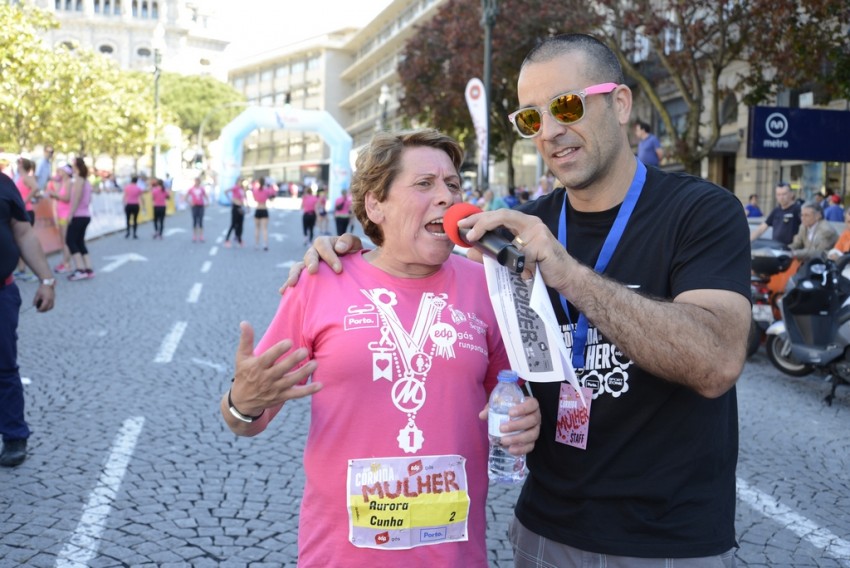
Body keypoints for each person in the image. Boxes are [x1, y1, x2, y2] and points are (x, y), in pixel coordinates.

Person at [295, 33, 750, 568]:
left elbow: (717, 363)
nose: (550, 131)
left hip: (668, 541)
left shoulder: (700, 211)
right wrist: (351, 255)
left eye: (567, 106)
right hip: (545, 531)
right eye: (532, 118)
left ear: (620, 103)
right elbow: (422, 271)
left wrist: (567, 273)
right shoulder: (513, 232)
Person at [222, 129, 540, 567]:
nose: (446, 196)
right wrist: (242, 402)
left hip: (452, 556)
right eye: (424, 183)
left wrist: (522, 421)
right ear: (376, 205)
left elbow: (507, 398)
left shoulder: (486, 286)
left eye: (453, 185)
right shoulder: (321, 281)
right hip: (341, 556)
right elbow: (246, 420)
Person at [1, 171, 56, 467]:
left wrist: (46, 280)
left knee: (3, 367)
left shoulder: (4, 185)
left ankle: (14, 436)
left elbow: (23, 233)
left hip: (1, 292)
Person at [66, 157, 95, 281]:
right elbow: (89, 199)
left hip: (78, 215)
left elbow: (77, 198)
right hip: (85, 214)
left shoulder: (79, 180)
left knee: (70, 240)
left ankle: (80, 269)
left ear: (76, 166)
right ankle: (88, 268)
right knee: (79, 242)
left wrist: (71, 214)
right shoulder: (86, 181)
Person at [13, 158, 39, 281]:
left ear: (22, 165)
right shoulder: (20, 177)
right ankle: (21, 270)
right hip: (22, 212)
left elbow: (35, 188)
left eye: (18, 163)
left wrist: (23, 201)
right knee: (19, 242)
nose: (17, 165)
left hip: (26, 212)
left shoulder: (27, 177)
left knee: (25, 243)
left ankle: (34, 271)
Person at [46, 164, 74, 273]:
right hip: (61, 213)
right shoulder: (63, 182)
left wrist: (55, 195)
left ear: (66, 172)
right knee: (63, 240)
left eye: (61, 170)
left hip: (65, 214)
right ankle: (65, 262)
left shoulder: (69, 182)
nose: (59, 172)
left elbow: (67, 198)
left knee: (66, 240)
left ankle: (66, 263)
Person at [251, 179, 275, 251]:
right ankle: (265, 244)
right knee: (264, 228)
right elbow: (271, 198)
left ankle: (256, 244)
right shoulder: (267, 190)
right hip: (264, 209)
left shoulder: (255, 191)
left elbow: (255, 199)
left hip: (258, 209)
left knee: (257, 228)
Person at [184, 177, 209, 243]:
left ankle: (201, 236)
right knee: (194, 221)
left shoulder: (202, 189)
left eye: (198, 181)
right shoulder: (191, 189)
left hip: (201, 206)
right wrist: (190, 203)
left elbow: (206, 196)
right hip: (194, 206)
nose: (196, 182)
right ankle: (194, 236)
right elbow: (185, 197)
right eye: (195, 181)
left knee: (200, 221)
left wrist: (207, 202)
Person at [224, 178, 246, 248]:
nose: (240, 182)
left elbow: (244, 197)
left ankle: (239, 239)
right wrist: (231, 200)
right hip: (235, 207)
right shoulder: (235, 187)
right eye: (240, 181)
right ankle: (227, 239)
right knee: (233, 224)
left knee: (240, 224)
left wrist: (247, 205)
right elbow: (226, 191)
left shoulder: (242, 189)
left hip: (241, 207)